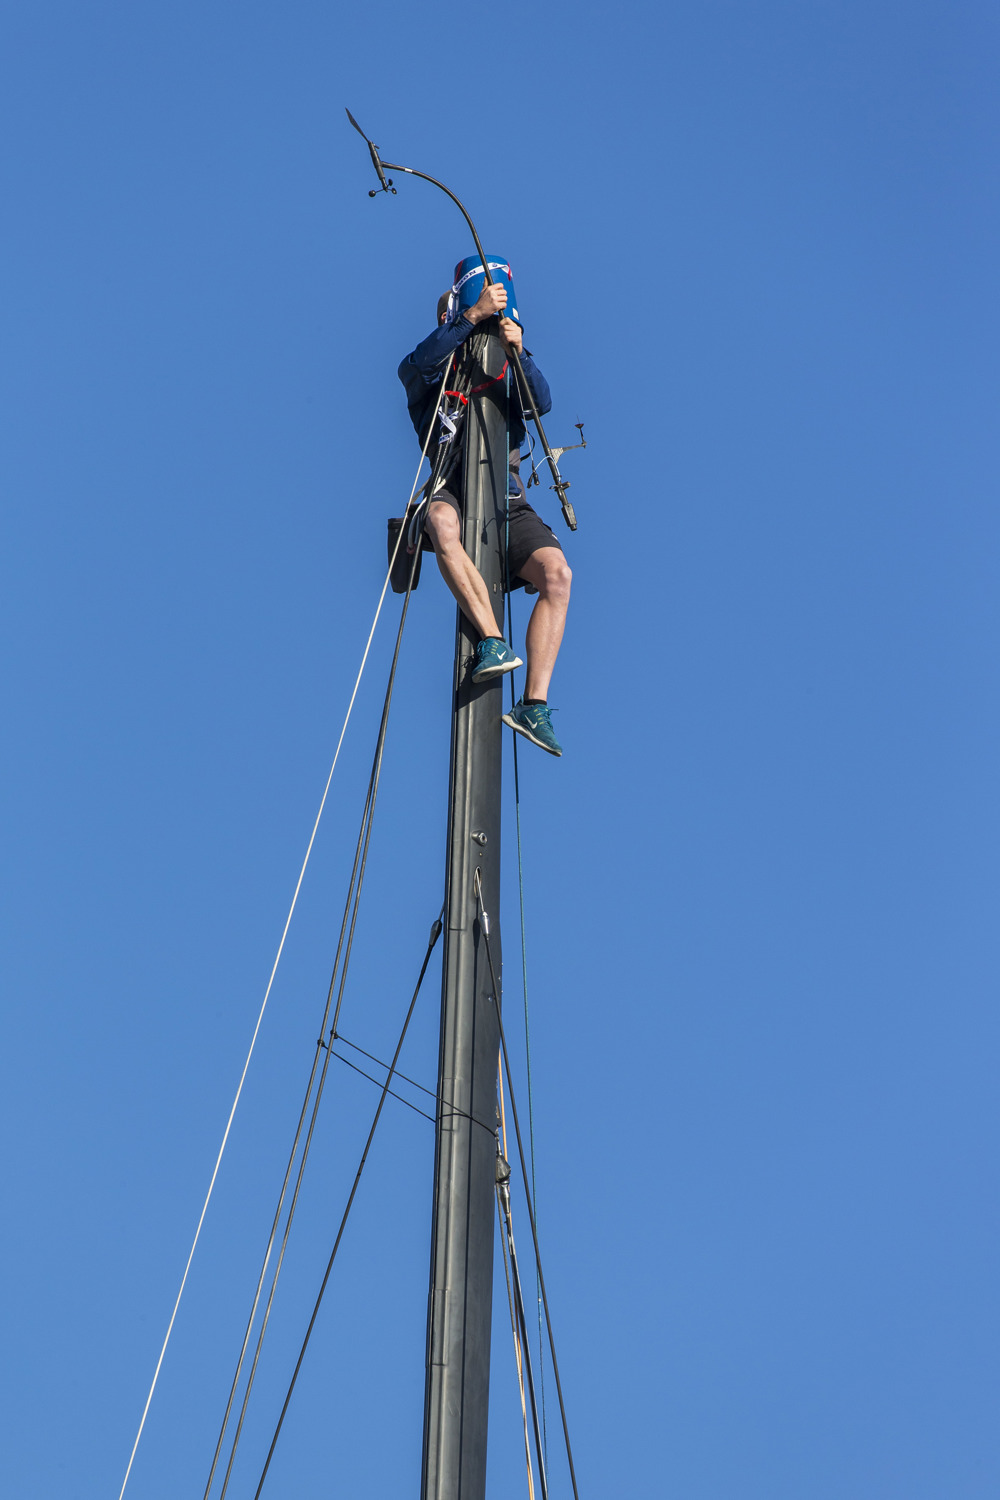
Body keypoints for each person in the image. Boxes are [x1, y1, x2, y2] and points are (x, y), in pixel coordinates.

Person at [398, 276, 571, 756]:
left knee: (557, 575)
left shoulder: (503, 367)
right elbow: (418, 364)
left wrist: (520, 351)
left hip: (506, 495)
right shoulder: (428, 369)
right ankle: (493, 640)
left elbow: (541, 403)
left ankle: (534, 704)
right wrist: (471, 317)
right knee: (440, 521)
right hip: (451, 484)